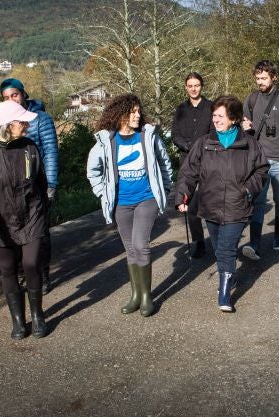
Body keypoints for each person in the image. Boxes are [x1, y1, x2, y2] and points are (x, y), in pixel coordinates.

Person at [175, 96, 268, 312]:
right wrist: (183, 196)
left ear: (234, 118)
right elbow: (188, 172)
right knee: (219, 248)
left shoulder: (249, 144)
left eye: (220, 116)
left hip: (238, 205)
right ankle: (231, 276)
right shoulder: (204, 143)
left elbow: (262, 169)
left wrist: (248, 189)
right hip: (210, 205)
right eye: (214, 115)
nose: (215, 120)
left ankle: (224, 293)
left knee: (226, 248)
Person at [0, 101, 50, 339]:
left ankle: (37, 315)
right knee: (8, 268)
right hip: (0, 220)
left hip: (31, 215)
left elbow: (40, 183)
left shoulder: (29, 146)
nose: (26, 125)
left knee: (32, 264)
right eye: (21, 121)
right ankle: (18, 321)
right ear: (6, 125)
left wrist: (44, 208)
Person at [86, 94, 173, 317]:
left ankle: (147, 297)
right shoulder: (107, 141)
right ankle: (135, 295)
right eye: (132, 112)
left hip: (146, 198)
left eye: (138, 111)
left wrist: (166, 187)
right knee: (130, 249)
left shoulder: (148, 136)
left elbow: (164, 162)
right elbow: (93, 171)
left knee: (141, 244)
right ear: (120, 114)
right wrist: (102, 193)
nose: (137, 115)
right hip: (121, 203)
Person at [0, 78, 58, 293]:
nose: (11, 100)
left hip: (39, 184)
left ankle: (42, 275)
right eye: (6, 97)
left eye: (14, 95)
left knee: (40, 234)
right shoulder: (4, 121)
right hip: (13, 190)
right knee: (16, 233)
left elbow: (50, 151)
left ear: (24, 94)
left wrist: (51, 184)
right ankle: (25, 272)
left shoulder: (41, 119)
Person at [240, 60, 279, 260]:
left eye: (264, 78)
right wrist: (244, 126)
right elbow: (244, 128)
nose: (260, 81)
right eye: (258, 78)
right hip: (260, 161)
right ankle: (255, 244)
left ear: (273, 77)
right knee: (258, 202)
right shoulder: (251, 99)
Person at [170, 72, 214, 259]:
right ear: (186, 87)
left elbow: (215, 130)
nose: (194, 88)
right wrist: (188, 146)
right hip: (187, 160)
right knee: (189, 203)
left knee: (212, 200)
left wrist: (201, 147)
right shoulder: (180, 109)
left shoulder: (211, 107)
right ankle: (199, 242)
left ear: (202, 86)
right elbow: (175, 134)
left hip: (208, 159)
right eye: (190, 85)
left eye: (197, 85)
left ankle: (218, 239)